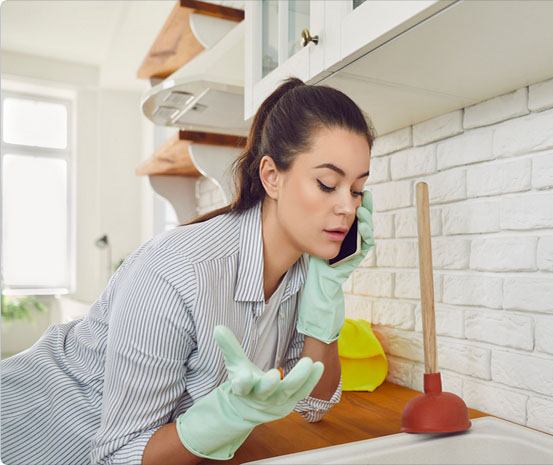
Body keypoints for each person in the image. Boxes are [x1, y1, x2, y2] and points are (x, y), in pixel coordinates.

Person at [0, 77, 376, 464]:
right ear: (271, 177)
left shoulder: (305, 273)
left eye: (357, 189)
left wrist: (325, 302)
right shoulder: (178, 271)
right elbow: (117, 455)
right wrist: (224, 420)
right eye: (328, 183)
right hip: (29, 432)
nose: (347, 207)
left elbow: (313, 403)